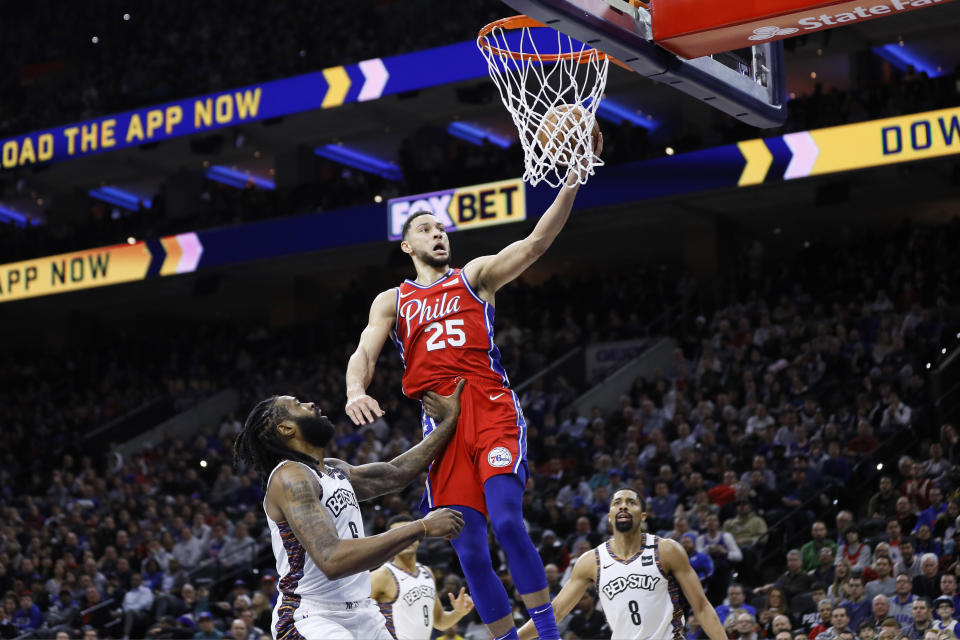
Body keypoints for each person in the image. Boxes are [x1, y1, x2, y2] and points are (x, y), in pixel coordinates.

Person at [345, 138, 601, 640]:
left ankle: (547, 634)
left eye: (441, 229)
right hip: (441, 430)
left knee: (507, 522)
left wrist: (573, 179)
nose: (438, 235)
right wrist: (356, 390)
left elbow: (534, 244)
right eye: (426, 229)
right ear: (407, 245)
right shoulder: (392, 300)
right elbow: (365, 352)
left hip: (491, 411)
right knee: (468, 547)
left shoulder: (474, 277)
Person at [233, 385, 467, 640]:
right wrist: (421, 527)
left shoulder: (334, 469)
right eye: (298, 404)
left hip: (362, 612)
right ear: (286, 428)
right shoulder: (291, 477)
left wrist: (449, 421)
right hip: (312, 616)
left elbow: (397, 473)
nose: (311, 404)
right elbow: (332, 559)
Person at [516, 488, 730, 640]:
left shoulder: (666, 550)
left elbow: (701, 606)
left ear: (643, 515)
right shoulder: (591, 561)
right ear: (610, 516)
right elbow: (555, 613)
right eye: (617, 503)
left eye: (631, 502)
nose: (624, 506)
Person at [370, 514, 475, 640]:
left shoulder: (427, 572)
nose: (405, 539)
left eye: (409, 533)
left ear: (419, 537)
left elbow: (439, 621)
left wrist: (458, 612)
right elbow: (353, 614)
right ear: (390, 541)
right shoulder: (381, 576)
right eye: (399, 535)